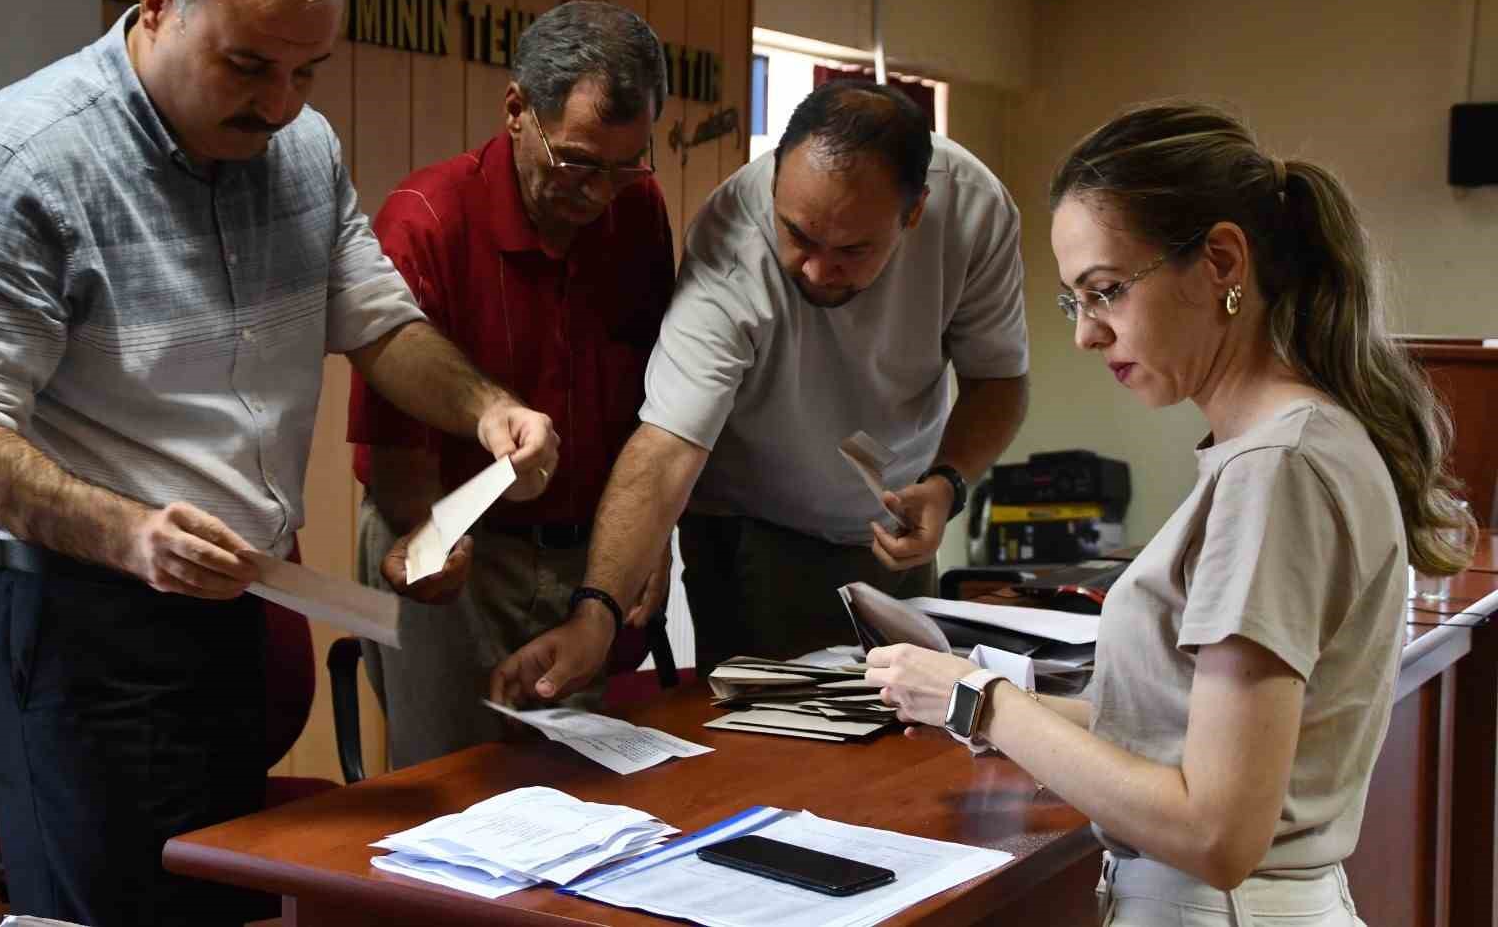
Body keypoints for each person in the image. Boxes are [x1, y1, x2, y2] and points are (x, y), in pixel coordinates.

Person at [0, 0, 557, 927]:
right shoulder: (24, 158)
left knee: (223, 910)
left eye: (307, 71)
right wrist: (127, 532)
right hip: (84, 627)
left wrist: (484, 408)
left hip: (240, 618)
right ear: (158, 4)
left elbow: (380, 322)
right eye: (248, 66)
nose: (279, 103)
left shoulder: (299, 146)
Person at [865, 101, 1478, 925]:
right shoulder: (1290, 443)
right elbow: (1173, 728)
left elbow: (1217, 830)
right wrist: (972, 700)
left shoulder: (1276, 471)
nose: (1087, 334)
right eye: (1073, 301)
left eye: (1106, 291)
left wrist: (983, 700)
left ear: (1221, 262)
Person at [493, 79, 1031, 702]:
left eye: (853, 250)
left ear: (914, 213)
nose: (817, 269)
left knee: (906, 726)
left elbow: (999, 380)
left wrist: (947, 484)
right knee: (777, 736)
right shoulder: (731, 240)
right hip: (753, 523)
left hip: (894, 519)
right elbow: (668, 443)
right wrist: (595, 616)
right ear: (776, 181)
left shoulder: (973, 209)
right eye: (799, 234)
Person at [348, 0, 675, 766]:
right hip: (451, 539)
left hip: (589, 550)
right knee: (454, 791)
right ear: (516, 110)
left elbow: (659, 393)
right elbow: (393, 443)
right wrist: (430, 542)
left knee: (583, 792)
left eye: (625, 166)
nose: (599, 193)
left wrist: (651, 538)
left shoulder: (637, 209)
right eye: (577, 164)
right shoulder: (426, 220)